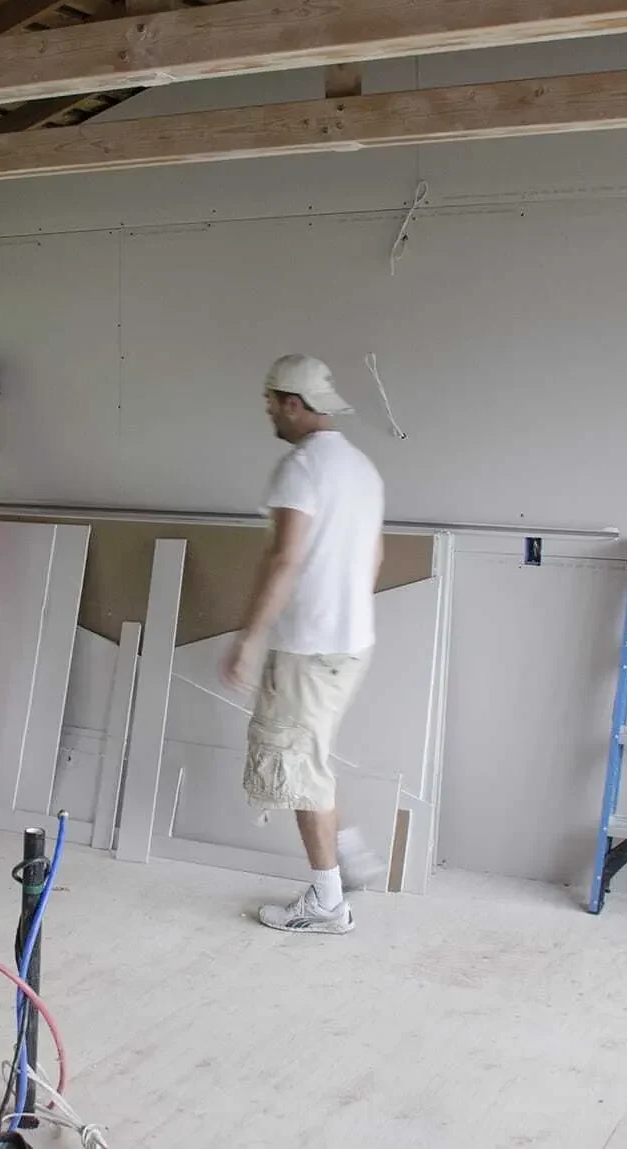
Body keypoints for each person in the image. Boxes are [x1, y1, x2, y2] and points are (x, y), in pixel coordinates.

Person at [222, 354, 387, 935]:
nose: (267, 409)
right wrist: (344, 611)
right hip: (351, 645)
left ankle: (326, 902)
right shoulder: (363, 469)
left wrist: (249, 638)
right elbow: (374, 559)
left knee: (299, 768)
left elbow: (285, 557)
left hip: (309, 648)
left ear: (294, 403)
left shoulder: (301, 467)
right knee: (311, 756)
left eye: (271, 399)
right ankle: (349, 853)